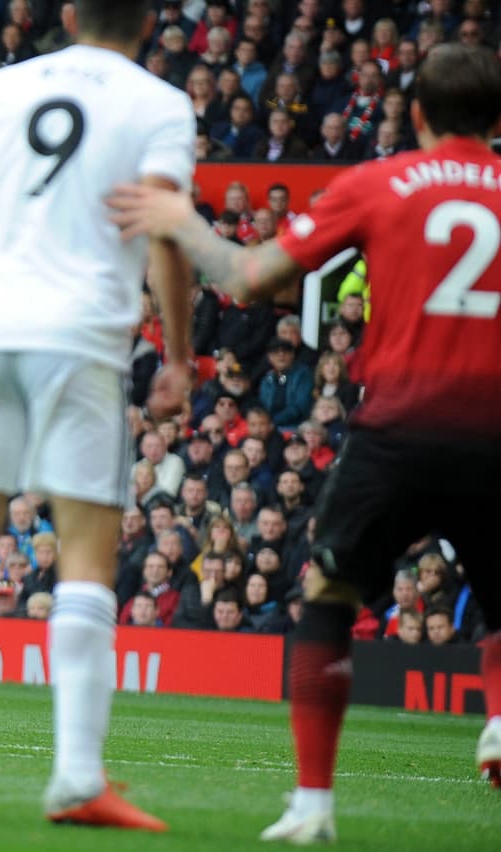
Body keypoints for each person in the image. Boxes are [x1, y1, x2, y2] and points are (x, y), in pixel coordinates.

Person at [108, 43, 501, 843]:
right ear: (496, 121)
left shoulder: (379, 183)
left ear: (415, 115)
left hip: (396, 430)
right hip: (493, 433)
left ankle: (314, 805)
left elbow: (250, 280)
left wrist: (182, 223)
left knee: (328, 602)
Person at [0, 0, 191, 830]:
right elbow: (162, 231)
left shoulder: (2, 85)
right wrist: (176, 352)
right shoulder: (159, 105)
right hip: (83, 342)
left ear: (66, 13)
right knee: (87, 561)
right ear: (153, 21)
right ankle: (75, 778)